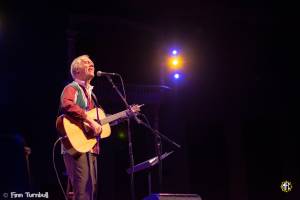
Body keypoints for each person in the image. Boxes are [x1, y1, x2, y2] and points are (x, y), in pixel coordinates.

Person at [58, 55, 102, 200]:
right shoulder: (72, 88)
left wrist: (126, 114)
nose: (91, 64)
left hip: (90, 146)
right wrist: (90, 120)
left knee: (91, 188)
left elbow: (98, 122)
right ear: (77, 70)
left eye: (92, 62)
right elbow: (67, 104)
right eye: (86, 62)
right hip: (75, 144)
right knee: (82, 190)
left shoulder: (92, 95)